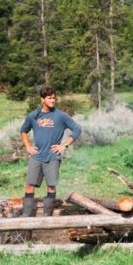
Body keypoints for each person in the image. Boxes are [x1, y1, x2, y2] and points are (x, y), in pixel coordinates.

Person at [20, 86, 81, 217]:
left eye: (54, 98)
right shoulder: (33, 116)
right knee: (29, 185)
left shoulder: (61, 116)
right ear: (42, 99)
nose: (53, 100)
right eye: (49, 98)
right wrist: (28, 147)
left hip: (53, 157)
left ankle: (47, 217)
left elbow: (77, 129)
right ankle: (26, 216)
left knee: (51, 187)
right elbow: (23, 131)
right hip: (36, 156)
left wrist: (64, 145)